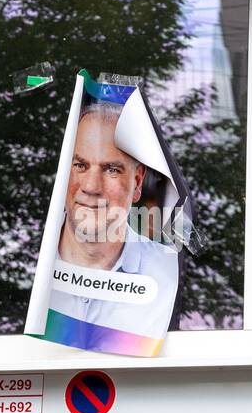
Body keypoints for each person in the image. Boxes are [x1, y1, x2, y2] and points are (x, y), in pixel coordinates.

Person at [49, 101, 180, 337]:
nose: (91, 186)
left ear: (137, 182)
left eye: (111, 170)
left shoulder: (170, 275)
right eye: (80, 165)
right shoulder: (26, 263)